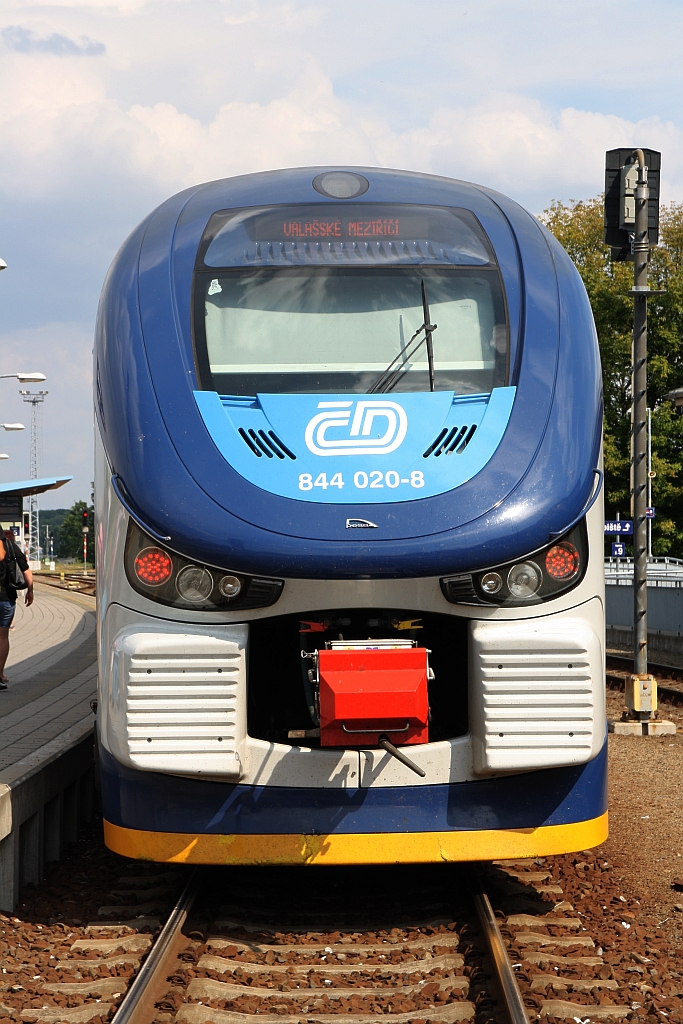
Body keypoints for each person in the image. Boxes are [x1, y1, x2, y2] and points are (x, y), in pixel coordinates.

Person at [0, 530, 33, 690]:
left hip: (6, 599)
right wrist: (30, 590)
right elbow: (26, 571)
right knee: (3, 637)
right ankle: (0, 674)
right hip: (7, 598)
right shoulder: (12, 548)